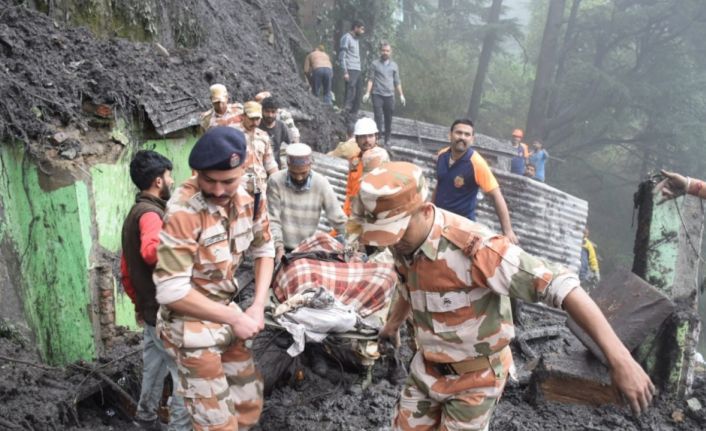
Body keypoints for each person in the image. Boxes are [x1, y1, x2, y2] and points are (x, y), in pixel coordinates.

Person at [350, 162, 655, 430]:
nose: (391, 243)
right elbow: (409, 282)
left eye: (396, 233)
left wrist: (621, 360)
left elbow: (563, 286)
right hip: (426, 369)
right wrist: (393, 324)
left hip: (474, 382)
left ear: (426, 211)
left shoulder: (476, 250)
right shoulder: (404, 244)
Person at [154, 126, 275, 430]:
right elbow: (171, 291)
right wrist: (235, 320)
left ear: (243, 169)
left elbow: (265, 248)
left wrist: (257, 306)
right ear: (196, 172)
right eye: (209, 180)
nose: (218, 191)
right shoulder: (184, 210)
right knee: (217, 426)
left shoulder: (253, 196)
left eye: (227, 181)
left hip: (227, 313)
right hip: (189, 327)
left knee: (248, 406)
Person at [119, 151, 190, 431]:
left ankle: (146, 420)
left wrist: (139, 305)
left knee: (154, 370)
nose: (172, 180)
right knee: (186, 380)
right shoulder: (151, 214)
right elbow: (151, 253)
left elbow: (126, 269)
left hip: (150, 312)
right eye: (170, 176)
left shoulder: (135, 212)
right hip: (164, 314)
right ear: (159, 181)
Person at [432, 119, 518, 244]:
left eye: (467, 135)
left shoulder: (476, 163)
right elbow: (440, 184)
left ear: (472, 139)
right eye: (459, 133)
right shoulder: (442, 156)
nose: (462, 137)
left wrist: (508, 231)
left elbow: (496, 194)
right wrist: (430, 207)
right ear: (450, 135)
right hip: (438, 221)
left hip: (462, 228)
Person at [267, 143, 347, 264]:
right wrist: (279, 248)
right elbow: (273, 220)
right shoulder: (275, 181)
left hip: (307, 249)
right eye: (294, 173)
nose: (299, 178)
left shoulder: (321, 183)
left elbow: (338, 218)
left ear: (310, 165)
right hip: (281, 248)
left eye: (303, 173)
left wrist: (352, 241)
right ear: (288, 165)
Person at [343, 117, 390, 216]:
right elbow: (350, 191)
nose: (367, 140)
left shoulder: (381, 156)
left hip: (373, 215)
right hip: (356, 213)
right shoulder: (354, 161)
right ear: (356, 139)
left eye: (370, 136)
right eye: (363, 136)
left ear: (376, 137)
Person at [363, 41, 405, 146]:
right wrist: (367, 93)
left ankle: (387, 139)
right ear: (380, 51)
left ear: (390, 52)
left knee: (388, 117)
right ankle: (378, 137)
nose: (385, 52)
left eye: (387, 51)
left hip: (389, 95)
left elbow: (397, 81)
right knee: (378, 116)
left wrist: (401, 95)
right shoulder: (375, 64)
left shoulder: (394, 66)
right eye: (383, 50)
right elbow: (371, 79)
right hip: (377, 94)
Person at [240, 101, 278, 211]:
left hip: (260, 187)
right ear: (243, 116)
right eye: (252, 119)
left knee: (260, 221)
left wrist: (278, 180)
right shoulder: (234, 136)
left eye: (258, 119)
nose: (255, 122)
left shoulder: (263, 136)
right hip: (241, 187)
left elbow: (269, 163)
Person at [339, 19, 365, 114]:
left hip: (357, 69)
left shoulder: (356, 40)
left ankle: (354, 114)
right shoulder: (346, 38)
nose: (363, 31)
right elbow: (342, 56)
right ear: (355, 28)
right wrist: (345, 71)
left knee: (358, 93)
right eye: (361, 29)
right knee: (350, 92)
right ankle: (345, 112)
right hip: (350, 69)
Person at [258, 96, 291, 168]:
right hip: (260, 166)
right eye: (267, 111)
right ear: (262, 111)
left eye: (273, 112)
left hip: (276, 165)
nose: (270, 115)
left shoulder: (281, 126)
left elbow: (290, 145)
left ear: (277, 112)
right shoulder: (257, 125)